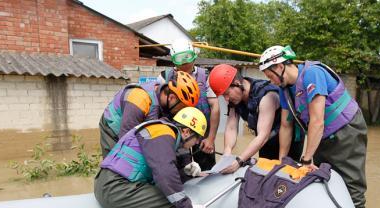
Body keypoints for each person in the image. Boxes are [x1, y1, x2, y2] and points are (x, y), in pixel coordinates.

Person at [259, 45, 368, 208]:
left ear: (280, 67)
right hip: (322, 136)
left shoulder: (312, 74)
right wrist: (282, 161)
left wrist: (306, 159)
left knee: (351, 187)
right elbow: (286, 126)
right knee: (320, 177)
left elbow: (317, 121)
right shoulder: (285, 90)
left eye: (269, 75)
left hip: (346, 131)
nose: (270, 81)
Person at [208, 64, 304, 174]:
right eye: (223, 96)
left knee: (286, 175)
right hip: (267, 141)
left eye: (227, 94)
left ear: (237, 83)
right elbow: (231, 127)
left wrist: (239, 161)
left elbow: (263, 135)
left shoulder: (266, 96)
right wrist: (227, 153)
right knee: (264, 173)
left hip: (288, 140)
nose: (226, 99)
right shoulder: (235, 99)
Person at [99, 71, 200, 157]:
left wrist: (186, 164)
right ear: (172, 97)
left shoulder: (169, 105)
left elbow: (173, 137)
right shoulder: (139, 99)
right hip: (114, 128)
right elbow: (127, 141)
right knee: (120, 163)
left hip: (140, 120)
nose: (183, 111)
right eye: (183, 106)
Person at [156, 39, 220, 171]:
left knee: (207, 170)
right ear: (173, 60)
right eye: (180, 59)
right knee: (180, 169)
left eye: (187, 58)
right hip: (177, 134)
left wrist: (211, 138)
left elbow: (215, 107)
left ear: (194, 56)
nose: (185, 63)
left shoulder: (205, 76)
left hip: (201, 134)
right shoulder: (164, 77)